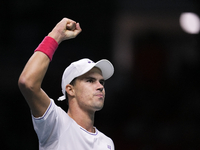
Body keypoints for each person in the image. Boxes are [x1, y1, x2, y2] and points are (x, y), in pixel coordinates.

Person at [18, 17, 115, 150]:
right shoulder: (56, 123)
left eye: (101, 81)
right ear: (70, 89)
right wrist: (56, 35)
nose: (100, 87)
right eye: (90, 80)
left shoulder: (107, 143)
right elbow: (27, 82)